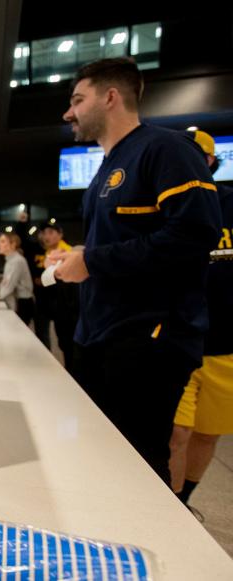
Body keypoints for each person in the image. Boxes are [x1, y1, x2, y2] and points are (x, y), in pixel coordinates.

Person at [49, 57, 221, 484]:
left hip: (149, 338)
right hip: (101, 335)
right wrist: (83, 255)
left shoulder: (166, 149)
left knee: (139, 467)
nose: (68, 113)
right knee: (103, 460)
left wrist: (92, 260)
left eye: (77, 100)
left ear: (110, 97)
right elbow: (126, 243)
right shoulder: (106, 169)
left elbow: (195, 233)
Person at [168, 130, 233, 512]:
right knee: (177, 432)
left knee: (207, 436)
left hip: (226, 346)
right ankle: (173, 507)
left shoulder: (230, 204)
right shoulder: (166, 207)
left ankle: (185, 500)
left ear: (210, 161)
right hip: (180, 338)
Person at [32, 222, 81, 377]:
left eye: (51, 232)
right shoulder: (46, 253)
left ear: (60, 234)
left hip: (67, 309)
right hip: (49, 304)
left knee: (69, 345)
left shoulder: (68, 252)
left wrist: (53, 274)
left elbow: (71, 285)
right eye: (44, 233)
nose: (47, 236)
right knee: (61, 341)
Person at [0, 232, 35, 324]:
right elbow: (6, 283)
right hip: (19, 301)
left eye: (2, 241)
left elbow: (9, 285)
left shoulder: (17, 261)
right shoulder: (11, 260)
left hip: (23, 303)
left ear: (13, 244)